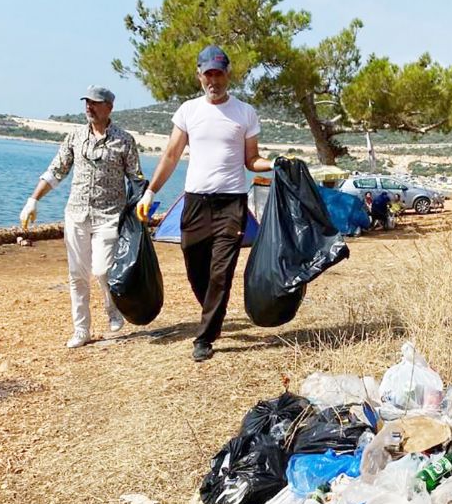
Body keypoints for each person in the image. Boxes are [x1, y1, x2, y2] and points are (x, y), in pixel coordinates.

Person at [138, 45, 273, 362]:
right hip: (195, 202)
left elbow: (251, 159)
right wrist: (150, 192)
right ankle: (213, 312)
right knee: (194, 267)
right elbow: (171, 155)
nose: (214, 80)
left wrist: (275, 163)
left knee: (220, 273)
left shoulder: (245, 113)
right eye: (208, 74)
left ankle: (205, 337)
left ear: (228, 75)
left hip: (231, 204)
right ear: (199, 76)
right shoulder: (188, 111)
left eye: (219, 73)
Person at [19, 86, 144, 348]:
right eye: (87, 102)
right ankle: (81, 330)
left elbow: (136, 178)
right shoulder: (75, 136)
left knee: (102, 269)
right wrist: (33, 200)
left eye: (95, 103)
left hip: (110, 215)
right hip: (76, 214)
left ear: (109, 107)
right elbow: (56, 171)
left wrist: (143, 205)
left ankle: (112, 309)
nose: (89, 107)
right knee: (77, 275)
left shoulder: (124, 140)